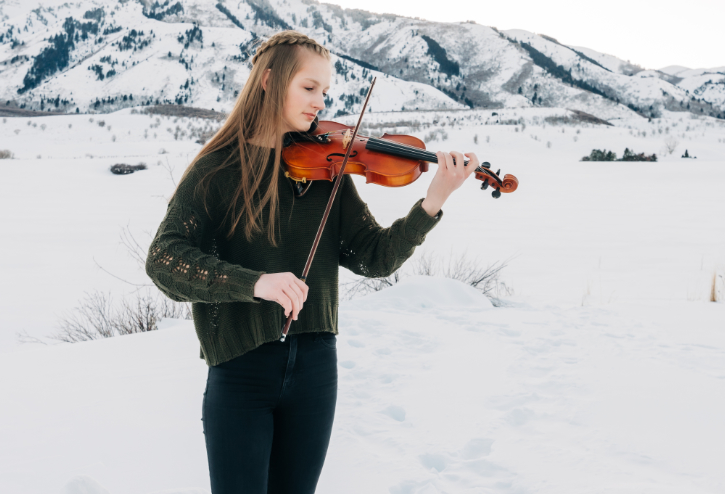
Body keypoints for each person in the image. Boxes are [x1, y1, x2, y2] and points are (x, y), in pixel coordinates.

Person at [145, 30, 478, 494]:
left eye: (325, 91)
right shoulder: (217, 171)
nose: (321, 102)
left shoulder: (329, 169)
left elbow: (374, 257)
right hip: (241, 369)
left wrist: (433, 201)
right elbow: (164, 260)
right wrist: (255, 283)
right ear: (268, 81)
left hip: (317, 368)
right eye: (309, 88)